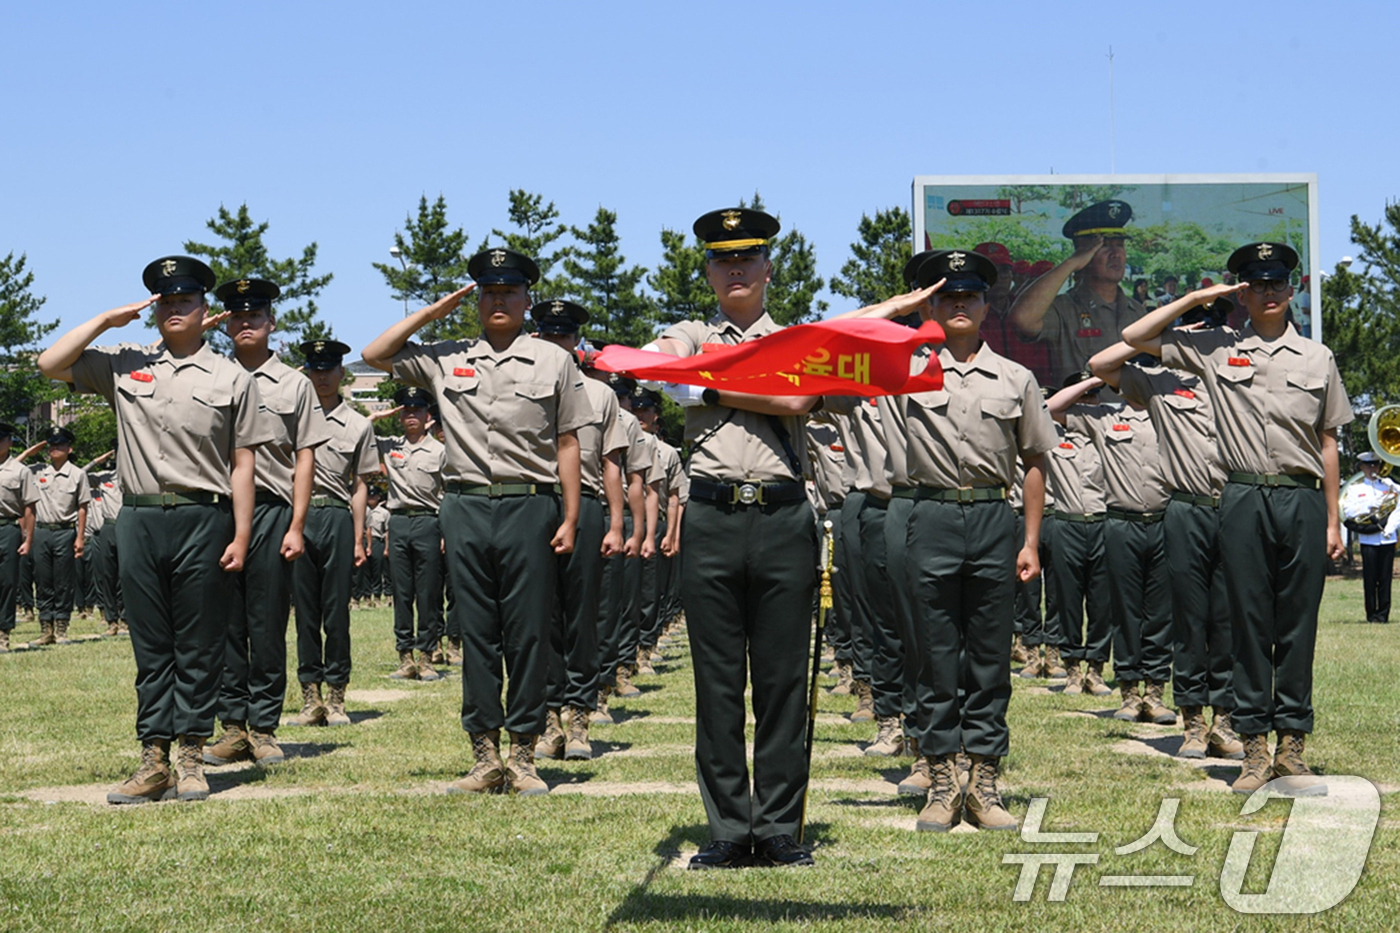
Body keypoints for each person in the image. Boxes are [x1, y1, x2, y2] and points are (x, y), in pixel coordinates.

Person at [39, 255, 270, 804]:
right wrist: (105, 320)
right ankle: (154, 758)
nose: (173, 309)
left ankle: (191, 755)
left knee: (197, 641)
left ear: (203, 309)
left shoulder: (232, 376)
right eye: (164, 302)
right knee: (151, 645)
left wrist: (240, 535)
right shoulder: (124, 363)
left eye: (184, 301)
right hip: (138, 517)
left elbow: (243, 463)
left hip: (203, 516)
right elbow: (50, 363)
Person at [1122, 243, 1351, 796]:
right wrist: (1200, 296)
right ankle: (1251, 749)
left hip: (1300, 499)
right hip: (1243, 497)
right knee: (1246, 623)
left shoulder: (1317, 358)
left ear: (1291, 289)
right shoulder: (1215, 350)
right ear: (1241, 292)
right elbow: (1134, 338)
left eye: (1278, 283)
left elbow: (1327, 441)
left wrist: (1332, 519)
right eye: (1256, 284)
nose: (1269, 293)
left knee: (1297, 623)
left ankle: (1291, 745)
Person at [362, 247, 589, 798]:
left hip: (530, 504)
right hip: (462, 504)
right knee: (477, 633)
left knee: (529, 631)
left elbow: (567, 442)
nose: (498, 300)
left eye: (509, 291)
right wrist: (435, 311)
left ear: (527, 299)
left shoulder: (554, 361)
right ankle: (484, 754)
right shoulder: (445, 356)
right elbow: (375, 353)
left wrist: (571, 515)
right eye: (488, 292)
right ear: (476, 299)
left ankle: (525, 753)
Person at [645, 208, 823, 868]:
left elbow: (803, 400)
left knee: (781, 680)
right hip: (712, 516)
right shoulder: (685, 334)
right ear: (710, 271)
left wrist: (713, 384)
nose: (737, 268)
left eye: (749, 256)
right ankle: (727, 825)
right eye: (724, 259)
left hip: (781, 516)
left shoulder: (800, 336)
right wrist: (756, 385)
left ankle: (777, 825)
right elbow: (660, 374)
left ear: (769, 265)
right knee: (717, 682)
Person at [896, 249, 1057, 833]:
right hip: (929, 517)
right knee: (935, 655)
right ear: (930, 304)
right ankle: (941, 778)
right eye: (946, 296)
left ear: (987, 306)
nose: (959, 304)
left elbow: (1036, 461)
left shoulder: (1017, 378)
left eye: (969, 295)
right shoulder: (905, 369)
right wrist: (905, 313)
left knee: (989, 656)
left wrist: (1031, 541)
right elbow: (848, 344)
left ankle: (984, 780)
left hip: (994, 520)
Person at [1090, 318, 1243, 760]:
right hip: (1186, 511)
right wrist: (1168, 336)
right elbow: (1100, 362)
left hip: (1235, 509)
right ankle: (1193, 720)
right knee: (1190, 621)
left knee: (1229, 620)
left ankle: (1225, 720)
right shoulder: (1159, 384)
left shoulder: (1239, 380)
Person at [204, 279, 326, 767]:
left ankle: (264, 726)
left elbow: (305, 459)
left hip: (272, 512)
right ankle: (231, 725)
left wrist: (297, 524)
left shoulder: (294, 384)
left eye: (255, 316)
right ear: (225, 324)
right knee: (223, 623)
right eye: (236, 317)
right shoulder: (209, 375)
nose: (246, 323)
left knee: (267, 620)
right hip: (215, 512)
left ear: (271, 322)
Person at [1048, 369, 1174, 725]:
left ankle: (1155, 692)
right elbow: (1049, 408)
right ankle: (1130, 693)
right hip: (1121, 523)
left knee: (1160, 614)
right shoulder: (1106, 418)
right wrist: (1093, 381)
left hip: (1165, 521)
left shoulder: (1168, 413)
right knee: (1125, 612)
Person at [529, 299, 626, 761]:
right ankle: (548, 720)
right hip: (537, 503)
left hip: (586, 506)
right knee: (542, 616)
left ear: (576, 343)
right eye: (548, 335)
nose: (557, 344)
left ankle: (580, 718)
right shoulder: (522, 384)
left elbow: (611, 464)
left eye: (564, 337)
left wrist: (616, 522)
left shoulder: (600, 394)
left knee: (582, 616)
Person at [1010, 200, 1146, 393]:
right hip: (1081, 419)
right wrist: (1072, 263)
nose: (1116, 253)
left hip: (1133, 419)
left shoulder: (1137, 312)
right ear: (1085, 253)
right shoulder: (1064, 309)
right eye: (1105, 246)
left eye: (1120, 245)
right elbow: (1022, 319)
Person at [377, 387, 447, 681]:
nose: (411, 415)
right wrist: (380, 415)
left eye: (417, 410)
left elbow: (448, 492)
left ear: (427, 415)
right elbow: (356, 430)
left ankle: (427, 656)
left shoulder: (441, 450)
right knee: (402, 593)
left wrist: (446, 531)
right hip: (399, 522)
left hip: (429, 522)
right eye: (405, 410)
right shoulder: (389, 445)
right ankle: (404, 657)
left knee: (429, 593)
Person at [27, 427, 89, 646]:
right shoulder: (38, 470)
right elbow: (11, 466)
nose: (54, 448)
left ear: (69, 449)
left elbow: (82, 508)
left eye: (59, 445)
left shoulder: (78, 474)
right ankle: (46, 628)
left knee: (63, 582)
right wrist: (32, 451)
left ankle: (61, 628)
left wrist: (80, 537)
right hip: (42, 531)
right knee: (42, 581)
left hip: (65, 531)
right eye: (51, 445)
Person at [1342, 452, 1400, 623]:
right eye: (1368, 465)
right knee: (1370, 579)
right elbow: (1348, 511)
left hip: (1387, 538)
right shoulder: (1355, 489)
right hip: (1368, 539)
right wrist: (1367, 506)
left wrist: (1395, 486)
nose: (1372, 468)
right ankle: (1371, 615)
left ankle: (1383, 615)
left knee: (1385, 578)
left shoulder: (1388, 487)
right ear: (1362, 467)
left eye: (1375, 465)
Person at [0, 423, 37, 653]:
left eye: (1, 438)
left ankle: (3, 632)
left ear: (9, 442)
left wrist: (28, 540)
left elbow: (29, 508)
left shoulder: (20, 471)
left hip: (8, 529)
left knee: (6, 583)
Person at [84, 451, 125, 637]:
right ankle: (111, 620)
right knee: (107, 576)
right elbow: (79, 476)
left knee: (128, 574)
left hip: (128, 525)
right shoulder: (103, 477)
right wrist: (96, 460)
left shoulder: (135, 475)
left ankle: (126, 619)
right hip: (108, 526)